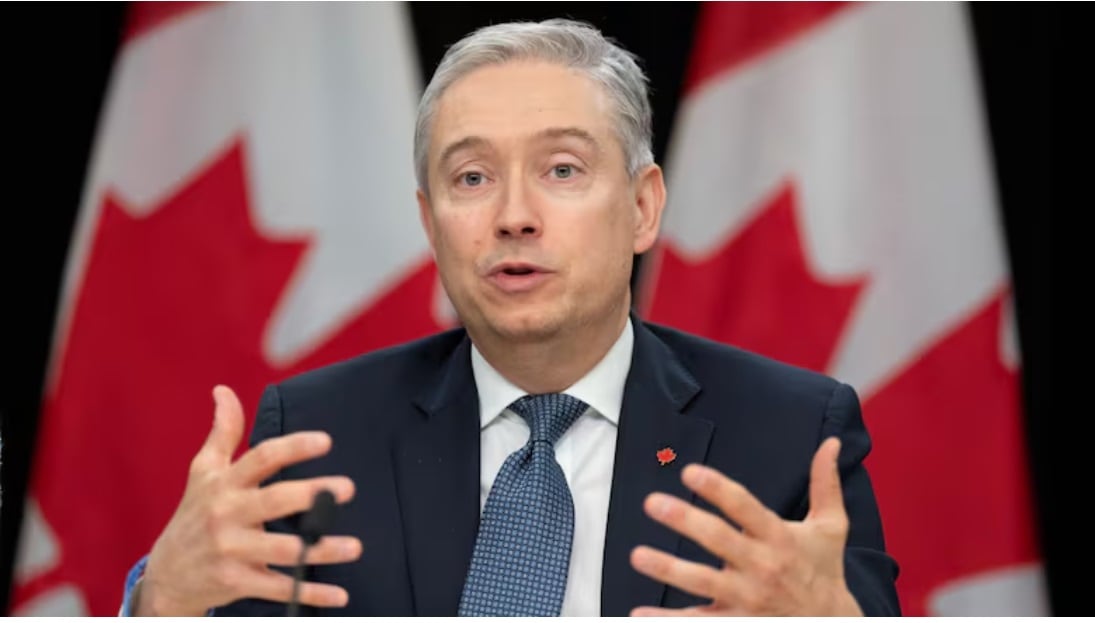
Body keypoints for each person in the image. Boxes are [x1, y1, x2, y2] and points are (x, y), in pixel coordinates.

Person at [119, 18, 900, 617]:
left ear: (641, 206)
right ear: (430, 224)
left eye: (561, 169)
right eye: (471, 177)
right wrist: (157, 602)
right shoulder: (319, 436)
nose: (513, 215)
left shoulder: (789, 435)